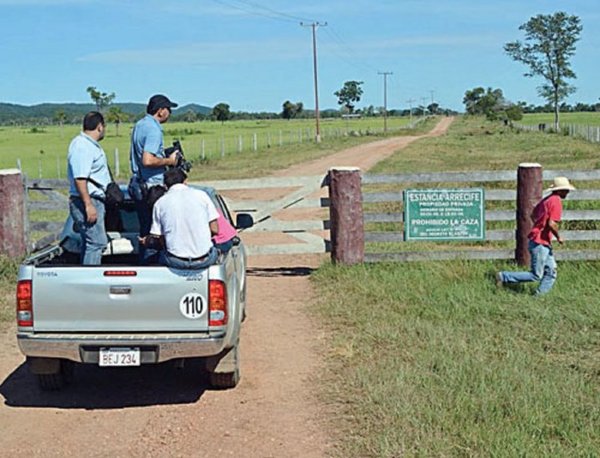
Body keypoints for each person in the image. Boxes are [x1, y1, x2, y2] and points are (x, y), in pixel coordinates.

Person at [496, 176, 576, 295]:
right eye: (565, 190)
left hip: (539, 240)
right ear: (559, 190)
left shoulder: (546, 200)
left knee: (551, 272)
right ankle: (504, 276)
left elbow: (533, 215)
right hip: (540, 242)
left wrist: (539, 226)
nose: (567, 192)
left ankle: (539, 296)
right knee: (536, 275)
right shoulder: (556, 202)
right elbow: (552, 223)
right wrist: (558, 237)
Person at [128, 94, 179, 262]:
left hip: (138, 182)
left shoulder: (139, 125)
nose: (169, 113)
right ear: (161, 111)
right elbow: (148, 160)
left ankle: (143, 266)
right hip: (152, 186)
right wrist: (169, 161)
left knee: (145, 230)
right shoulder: (153, 129)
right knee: (155, 234)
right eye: (168, 109)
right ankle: (152, 268)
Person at [140, 168, 219, 270]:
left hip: (175, 260)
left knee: (154, 257)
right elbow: (215, 229)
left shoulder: (160, 203)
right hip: (204, 259)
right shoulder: (202, 196)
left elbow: (161, 239)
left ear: (165, 185)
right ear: (185, 181)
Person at [67, 111, 110, 265]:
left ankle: (86, 277)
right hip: (87, 199)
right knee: (97, 243)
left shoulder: (86, 145)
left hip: (92, 199)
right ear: (99, 127)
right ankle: (91, 281)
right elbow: (80, 178)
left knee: (90, 242)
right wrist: (88, 204)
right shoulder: (82, 146)